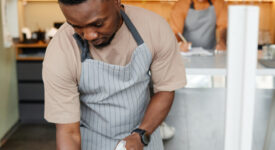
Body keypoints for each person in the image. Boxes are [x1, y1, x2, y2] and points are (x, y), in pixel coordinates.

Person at [42, 0, 187, 149]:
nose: (89, 35)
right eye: (77, 27)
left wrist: (141, 135)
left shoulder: (154, 28)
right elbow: (68, 133)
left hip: (144, 134)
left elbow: (165, 89)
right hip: (91, 142)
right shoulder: (61, 51)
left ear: (116, 2)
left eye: (98, 24)